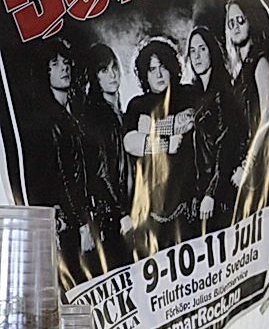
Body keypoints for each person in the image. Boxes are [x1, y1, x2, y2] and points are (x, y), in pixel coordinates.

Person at [24, 38, 93, 280]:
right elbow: (63, 175)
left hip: (79, 217)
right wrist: (80, 221)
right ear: (46, 72)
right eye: (55, 64)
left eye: (66, 62)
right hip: (69, 223)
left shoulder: (74, 112)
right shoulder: (49, 121)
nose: (64, 68)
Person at [123, 37, 196, 254]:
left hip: (187, 201)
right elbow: (130, 143)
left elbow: (188, 120)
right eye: (152, 69)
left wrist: (149, 127)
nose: (159, 74)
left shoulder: (186, 93)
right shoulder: (136, 104)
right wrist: (165, 143)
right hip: (150, 207)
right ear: (144, 74)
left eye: (163, 66)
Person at [77, 43, 134, 271]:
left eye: (113, 68)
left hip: (130, 208)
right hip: (114, 217)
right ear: (95, 76)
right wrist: (122, 214)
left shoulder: (120, 112)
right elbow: (101, 172)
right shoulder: (98, 117)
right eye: (103, 70)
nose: (112, 75)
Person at [224, 0, 269, 220]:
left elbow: (268, 114)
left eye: (240, 20)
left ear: (249, 22)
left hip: (257, 162)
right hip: (241, 161)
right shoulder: (239, 69)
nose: (235, 27)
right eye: (230, 23)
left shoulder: (259, 61)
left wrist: (249, 162)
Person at [186, 25, 236, 232]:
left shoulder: (221, 93)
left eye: (202, 49)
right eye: (192, 51)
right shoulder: (198, 95)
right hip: (204, 190)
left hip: (218, 192)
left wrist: (211, 193)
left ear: (212, 51)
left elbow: (226, 144)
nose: (197, 56)